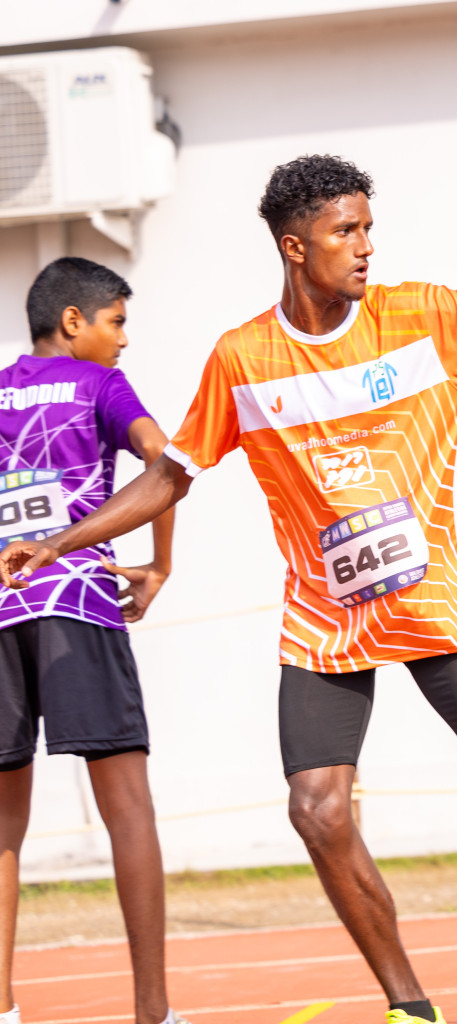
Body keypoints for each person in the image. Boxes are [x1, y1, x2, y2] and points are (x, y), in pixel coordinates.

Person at [0, 156, 457, 1024]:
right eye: (344, 233)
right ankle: (409, 1004)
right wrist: (60, 540)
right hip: (325, 622)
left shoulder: (422, 316)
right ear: (295, 247)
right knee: (316, 811)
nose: (364, 249)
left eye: (368, 229)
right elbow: (172, 474)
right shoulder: (244, 358)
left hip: (431, 603)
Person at [0, 259, 181, 1024]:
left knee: (5, 823)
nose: (124, 338)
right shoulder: (100, 387)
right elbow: (167, 461)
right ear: (72, 322)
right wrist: (159, 566)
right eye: (116, 321)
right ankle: (152, 1012)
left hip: (3, 615)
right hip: (77, 603)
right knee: (129, 810)